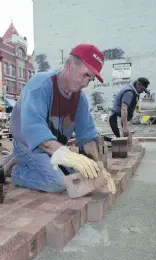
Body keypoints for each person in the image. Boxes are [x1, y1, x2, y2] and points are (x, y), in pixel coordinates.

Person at [2, 44, 116, 195]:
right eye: (85, 75)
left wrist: (98, 165)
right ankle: (14, 170)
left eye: (91, 79)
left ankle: (24, 160)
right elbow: (33, 128)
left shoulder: (80, 98)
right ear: (70, 65)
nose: (86, 83)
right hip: (27, 144)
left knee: (80, 172)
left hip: (54, 147)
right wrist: (66, 154)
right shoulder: (41, 85)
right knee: (56, 183)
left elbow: (87, 135)